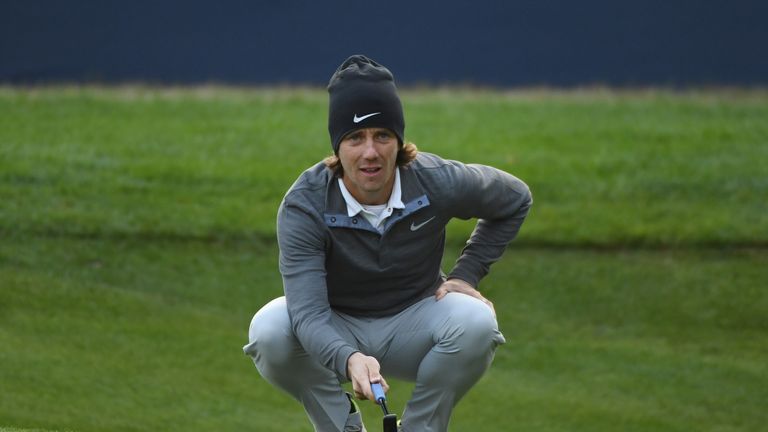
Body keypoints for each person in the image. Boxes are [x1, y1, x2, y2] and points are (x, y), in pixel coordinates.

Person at [243, 54, 532, 432]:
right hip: (336, 323)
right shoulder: (306, 204)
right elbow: (309, 316)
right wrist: (349, 359)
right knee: (269, 330)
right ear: (337, 146)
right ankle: (343, 428)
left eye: (382, 135)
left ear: (399, 141)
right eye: (355, 137)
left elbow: (514, 199)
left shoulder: (434, 180)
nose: (370, 152)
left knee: (476, 320)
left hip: (416, 320)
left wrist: (467, 274)